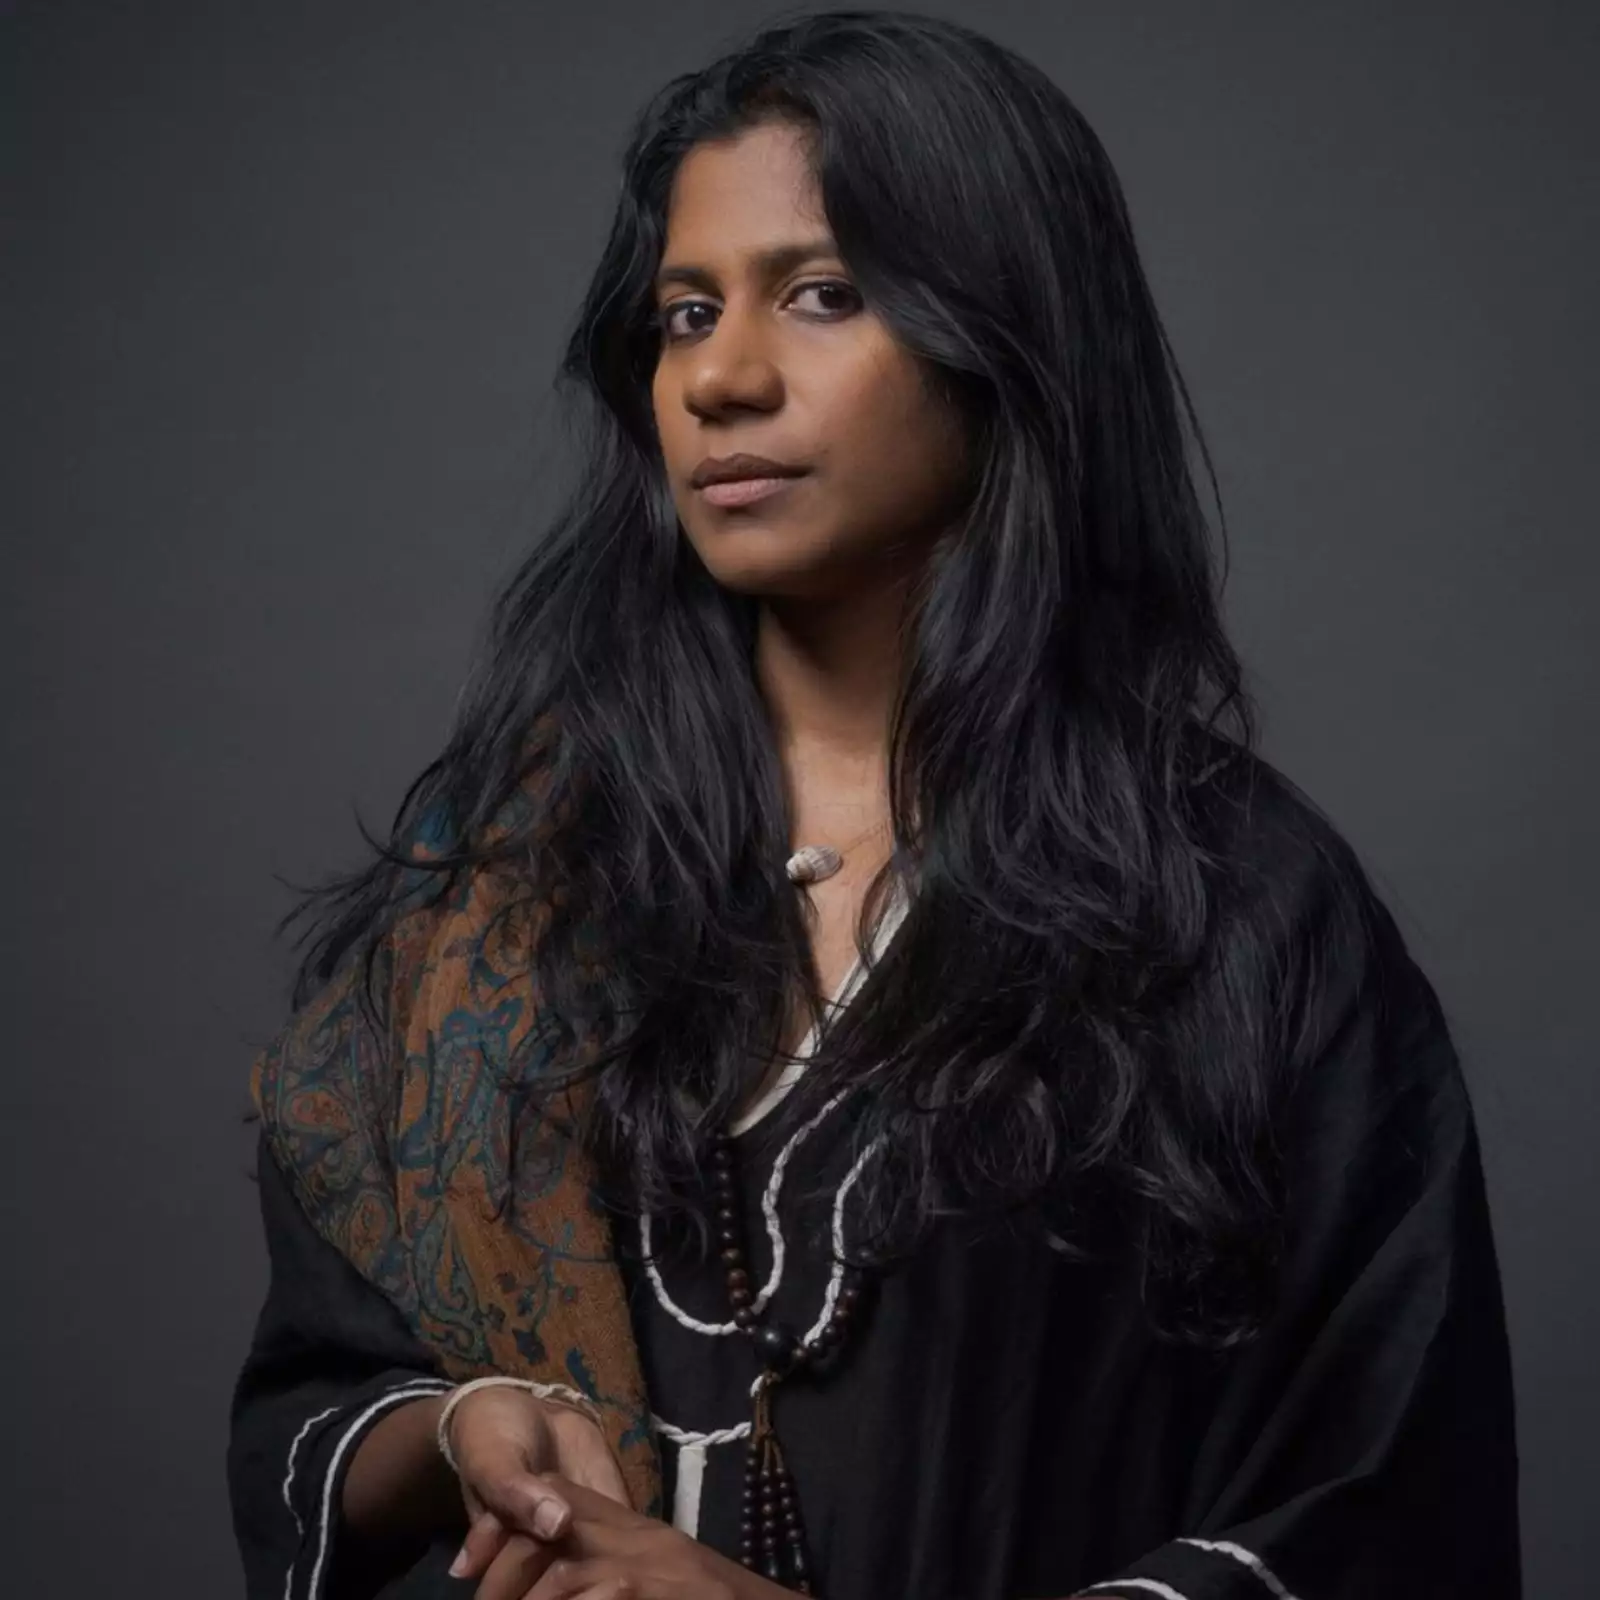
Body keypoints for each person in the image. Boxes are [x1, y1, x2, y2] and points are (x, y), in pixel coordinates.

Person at [227, 11, 1521, 1600]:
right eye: (684, 312)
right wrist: (461, 1427)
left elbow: (1379, 1506)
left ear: (1008, 340)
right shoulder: (505, 883)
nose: (724, 376)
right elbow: (312, 1396)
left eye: (823, 295)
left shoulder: (1237, 906)